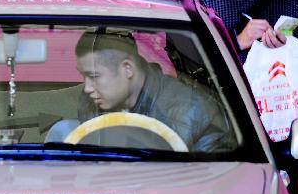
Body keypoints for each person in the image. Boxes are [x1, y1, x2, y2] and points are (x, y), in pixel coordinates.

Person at [73, 30, 233, 152]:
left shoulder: (193, 112)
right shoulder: (95, 99)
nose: (87, 87)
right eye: (84, 76)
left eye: (94, 76)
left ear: (127, 69)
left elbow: (213, 182)